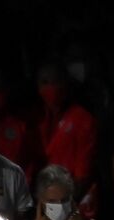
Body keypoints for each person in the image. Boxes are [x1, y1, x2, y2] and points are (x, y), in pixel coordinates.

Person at [35, 63, 98, 211]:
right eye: (44, 82)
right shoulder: (37, 119)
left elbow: (84, 171)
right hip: (45, 200)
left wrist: (63, 202)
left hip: (75, 201)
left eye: (55, 82)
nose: (50, 87)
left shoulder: (83, 119)